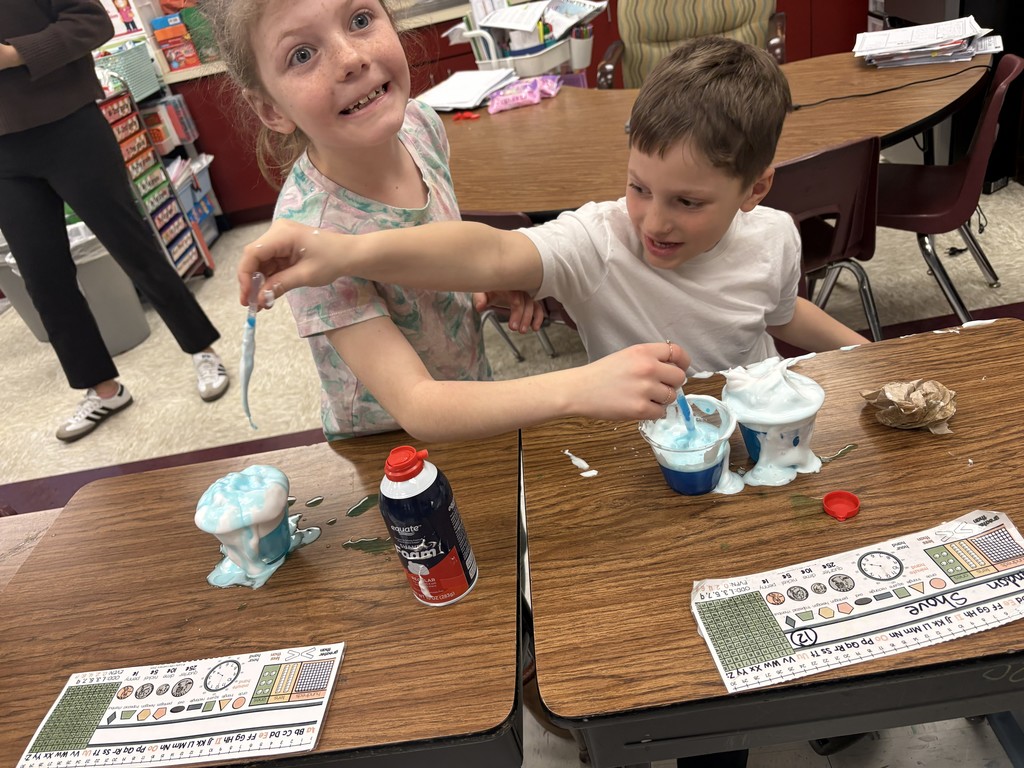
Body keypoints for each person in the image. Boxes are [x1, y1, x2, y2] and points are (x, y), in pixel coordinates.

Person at [201, 0, 689, 443]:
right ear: (268, 108)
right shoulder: (307, 240)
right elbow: (419, 405)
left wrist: (478, 289)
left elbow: (439, 254)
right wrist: (584, 384)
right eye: (302, 54)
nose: (350, 58)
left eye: (360, 20)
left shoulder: (421, 126)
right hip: (391, 445)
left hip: (473, 396)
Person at [238, 37, 870, 378]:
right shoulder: (600, 241)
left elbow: (783, 315)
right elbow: (488, 251)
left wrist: (873, 356)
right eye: (639, 187)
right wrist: (345, 251)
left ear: (755, 191)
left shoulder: (778, 238)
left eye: (688, 202)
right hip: (642, 446)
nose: (652, 221)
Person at [0, 0, 229, 442]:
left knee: (132, 246)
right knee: (42, 276)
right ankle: (103, 389)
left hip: (69, 125)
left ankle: (202, 349)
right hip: (4, 153)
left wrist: (12, 55)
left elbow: (91, 22)